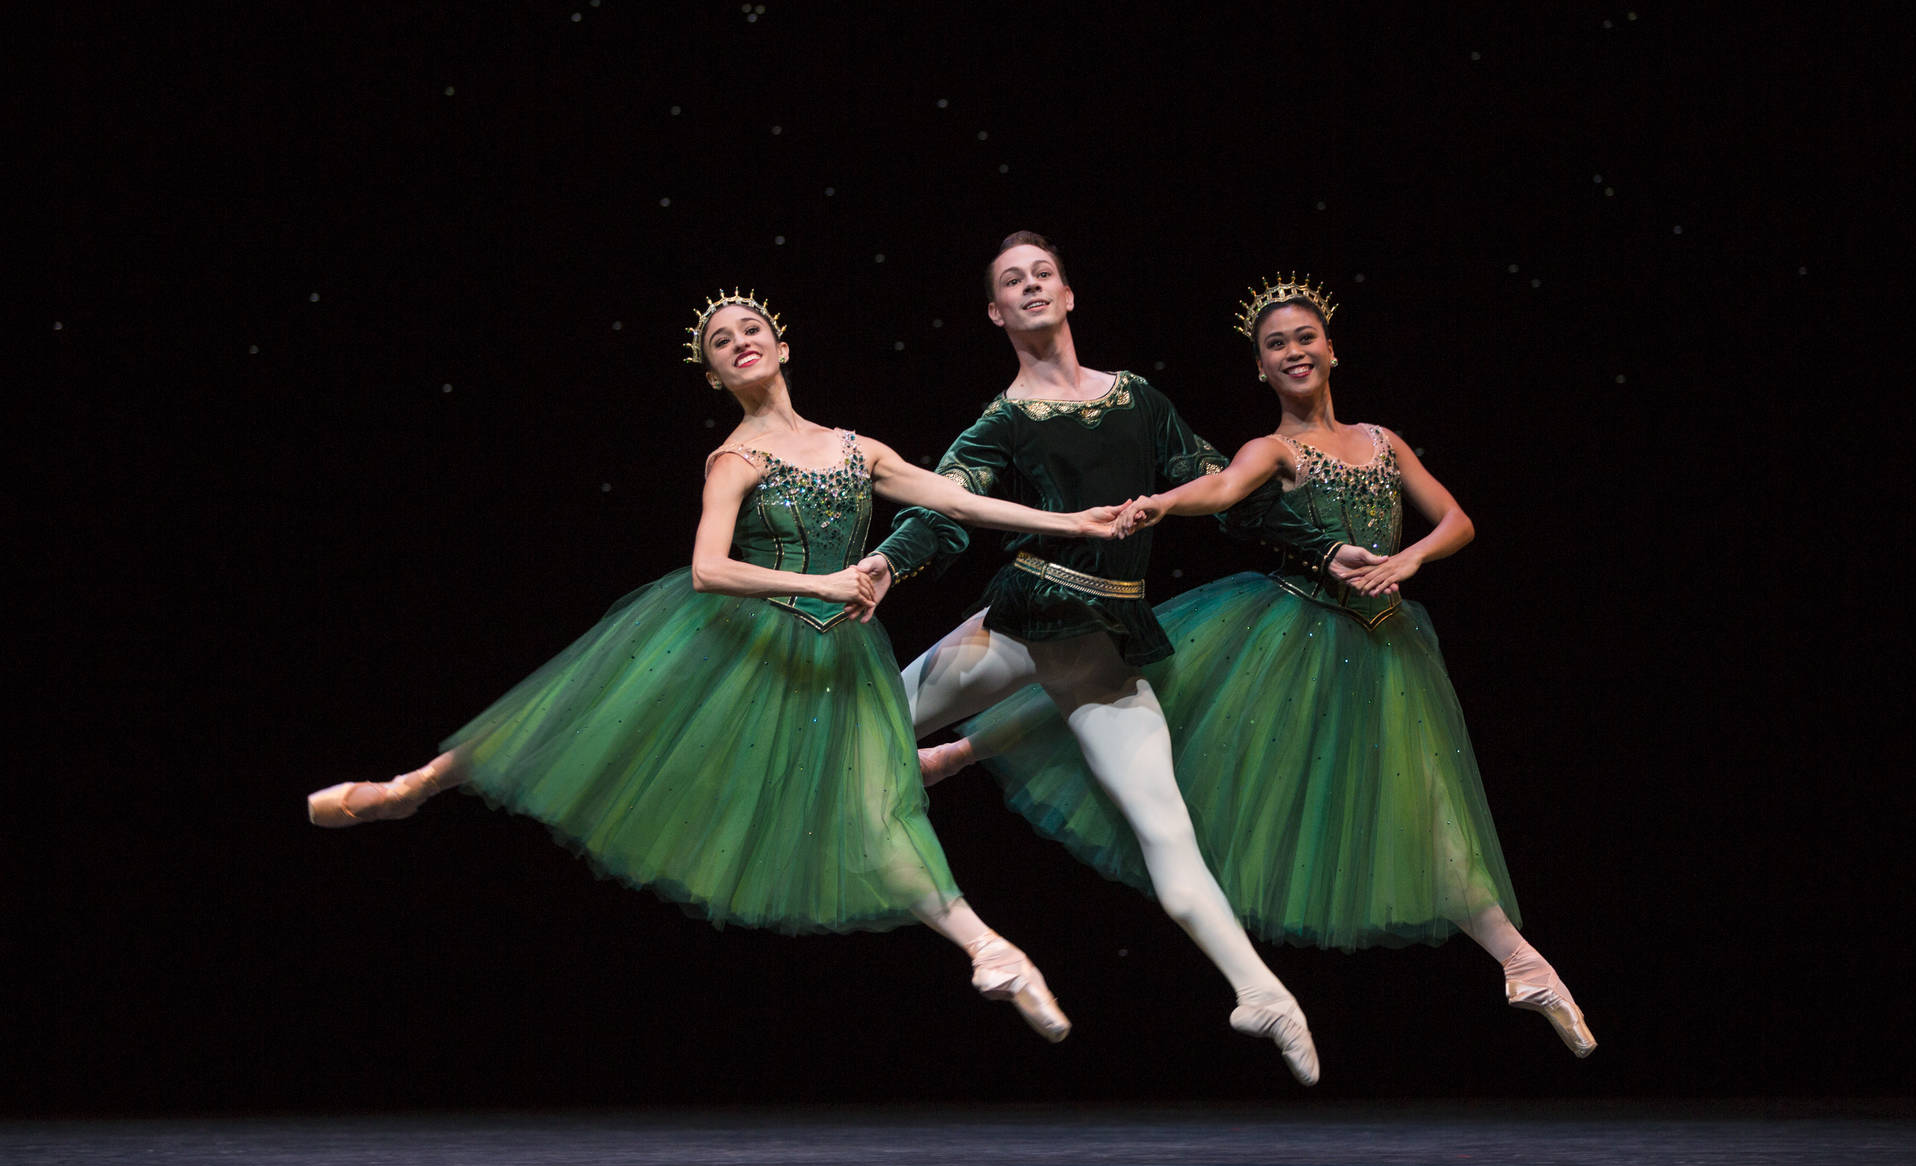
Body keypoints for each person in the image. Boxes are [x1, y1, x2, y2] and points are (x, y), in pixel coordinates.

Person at [305, 290, 1137, 1044]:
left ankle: (991, 950)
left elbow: (954, 499)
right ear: (712, 375)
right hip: (731, 639)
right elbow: (708, 566)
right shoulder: (735, 457)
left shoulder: (855, 447)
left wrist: (1073, 525)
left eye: (751, 329)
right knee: (583, 727)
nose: (738, 341)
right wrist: (819, 580)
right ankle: (414, 787)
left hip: (829, 656)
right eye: (719, 341)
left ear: (781, 344)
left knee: (873, 812)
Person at [935, 277, 1596, 1057]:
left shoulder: (1382, 440)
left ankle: (1521, 963)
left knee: (1426, 812)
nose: (1293, 352)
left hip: (1384, 651)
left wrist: (1408, 560)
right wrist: (1163, 503)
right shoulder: (1272, 448)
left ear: (1331, 347)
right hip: (1287, 634)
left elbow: (1457, 519)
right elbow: (1220, 487)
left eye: (1304, 338)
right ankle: (962, 748)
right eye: (1275, 345)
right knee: (1147, 698)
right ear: (1259, 368)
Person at [855, 236, 1388, 1086]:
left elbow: (1226, 493)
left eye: (1041, 275)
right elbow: (948, 506)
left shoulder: (1139, 400)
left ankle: (1265, 995)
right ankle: (983, 947)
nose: (1030, 288)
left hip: (1104, 650)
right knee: (859, 733)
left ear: (1068, 293)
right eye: (1010, 284)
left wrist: (1326, 553)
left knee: (1168, 831)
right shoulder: (1004, 421)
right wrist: (888, 561)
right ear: (996, 313)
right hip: (1021, 624)